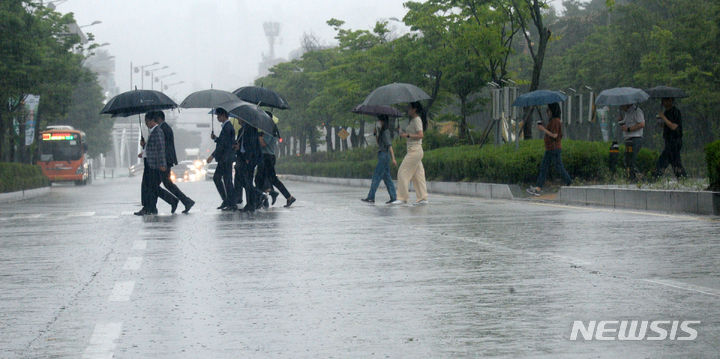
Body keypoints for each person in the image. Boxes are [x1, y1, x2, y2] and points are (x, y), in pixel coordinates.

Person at [153, 110, 195, 213]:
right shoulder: (165, 128)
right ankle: (183, 201)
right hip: (166, 160)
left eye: (155, 119)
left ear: (159, 118)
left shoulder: (163, 129)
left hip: (165, 161)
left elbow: (163, 147)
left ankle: (180, 201)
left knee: (163, 184)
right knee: (165, 184)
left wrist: (162, 162)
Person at [527, 103, 572, 196]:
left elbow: (555, 135)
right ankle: (538, 188)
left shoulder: (556, 121)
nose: (547, 112)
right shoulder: (553, 121)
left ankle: (569, 182)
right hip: (550, 148)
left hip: (554, 148)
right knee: (545, 167)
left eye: (549, 110)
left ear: (553, 111)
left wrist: (543, 129)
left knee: (558, 167)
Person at [256, 117, 296, 208]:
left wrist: (259, 136)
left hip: (267, 157)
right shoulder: (267, 129)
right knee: (263, 179)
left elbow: (263, 144)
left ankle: (285, 196)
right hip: (265, 157)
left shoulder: (269, 131)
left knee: (267, 179)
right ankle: (266, 196)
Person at [134, 114, 168, 216]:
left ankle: (148, 207)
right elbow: (152, 148)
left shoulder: (157, 132)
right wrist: (144, 147)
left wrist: (162, 164)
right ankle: (150, 207)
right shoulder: (153, 132)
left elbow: (160, 149)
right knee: (149, 187)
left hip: (153, 165)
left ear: (152, 120)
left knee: (148, 187)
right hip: (149, 163)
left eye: (147, 121)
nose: (146, 124)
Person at [396, 101, 428, 205]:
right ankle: (422, 198)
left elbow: (420, 135)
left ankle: (402, 198)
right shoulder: (413, 120)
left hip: (415, 150)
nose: (408, 109)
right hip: (412, 150)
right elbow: (409, 134)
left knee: (402, 172)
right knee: (418, 176)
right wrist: (401, 132)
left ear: (414, 109)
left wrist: (407, 135)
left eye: (409, 108)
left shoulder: (417, 120)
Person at [361, 115, 398, 204]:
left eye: (380, 121)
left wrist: (393, 158)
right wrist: (375, 134)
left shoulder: (385, 132)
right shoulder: (382, 131)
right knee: (387, 178)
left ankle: (371, 197)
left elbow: (389, 146)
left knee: (376, 176)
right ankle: (393, 197)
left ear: (384, 121)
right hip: (383, 155)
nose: (379, 122)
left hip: (384, 156)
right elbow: (380, 143)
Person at [206, 108, 237, 211]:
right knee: (222, 179)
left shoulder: (227, 127)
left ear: (224, 115)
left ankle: (230, 202)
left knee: (225, 180)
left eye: (218, 116)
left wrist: (212, 155)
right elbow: (222, 142)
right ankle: (227, 201)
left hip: (226, 158)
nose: (217, 118)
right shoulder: (226, 127)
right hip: (225, 158)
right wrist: (215, 138)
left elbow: (223, 145)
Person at [234, 121, 264, 212]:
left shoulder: (252, 129)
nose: (238, 119)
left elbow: (252, 145)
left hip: (250, 159)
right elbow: (241, 145)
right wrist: (237, 148)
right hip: (243, 158)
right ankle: (257, 196)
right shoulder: (241, 130)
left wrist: (248, 157)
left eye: (240, 117)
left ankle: (251, 204)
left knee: (248, 182)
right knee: (245, 182)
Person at [654, 97, 687, 179]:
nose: (664, 103)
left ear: (671, 101)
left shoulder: (675, 112)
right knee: (675, 161)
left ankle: (656, 176)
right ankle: (682, 177)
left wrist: (664, 118)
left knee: (664, 160)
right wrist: (660, 121)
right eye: (663, 101)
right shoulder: (666, 112)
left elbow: (674, 126)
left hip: (675, 140)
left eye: (667, 100)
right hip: (668, 140)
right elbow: (666, 126)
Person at [619, 103, 645, 181]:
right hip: (628, 140)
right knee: (627, 159)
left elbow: (642, 124)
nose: (621, 107)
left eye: (622, 105)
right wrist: (621, 122)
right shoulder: (627, 113)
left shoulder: (637, 111)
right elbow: (625, 124)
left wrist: (629, 129)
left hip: (635, 139)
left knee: (632, 160)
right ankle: (631, 177)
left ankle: (640, 178)